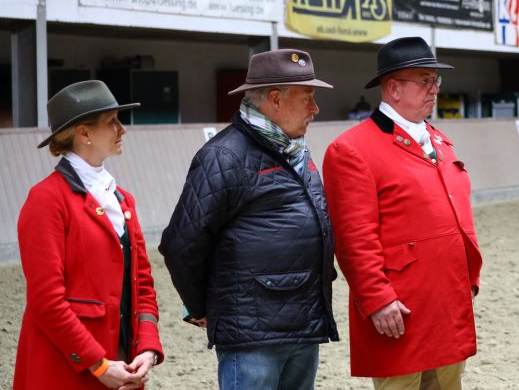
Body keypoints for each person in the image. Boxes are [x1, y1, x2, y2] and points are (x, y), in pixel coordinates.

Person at [159, 49, 338, 390]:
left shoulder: (296, 151)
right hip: (251, 333)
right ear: (275, 100)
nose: (315, 109)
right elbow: (182, 243)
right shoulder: (223, 156)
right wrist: (200, 307)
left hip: (302, 322)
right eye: (308, 98)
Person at [323, 37, 482, 390]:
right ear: (393, 88)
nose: (435, 89)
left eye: (436, 80)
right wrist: (377, 299)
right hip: (400, 308)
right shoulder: (352, 150)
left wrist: (468, 275)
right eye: (425, 81)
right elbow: (353, 237)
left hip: (447, 299)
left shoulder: (439, 141)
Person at [14, 80, 163, 390]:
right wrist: (98, 363)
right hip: (66, 369)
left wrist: (147, 347)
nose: (122, 130)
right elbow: (46, 301)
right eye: (112, 122)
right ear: (83, 134)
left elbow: (143, 285)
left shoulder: (124, 200)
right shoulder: (46, 200)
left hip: (123, 364)